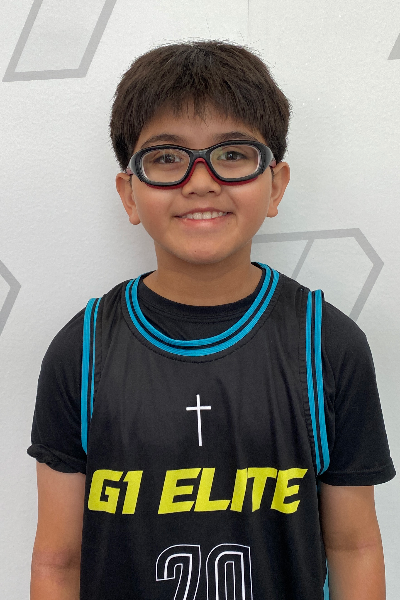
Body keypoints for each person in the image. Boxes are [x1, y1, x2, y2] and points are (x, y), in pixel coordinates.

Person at [28, 40, 395, 600]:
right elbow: (58, 561)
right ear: (129, 194)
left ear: (276, 184)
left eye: (232, 154)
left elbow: (354, 547)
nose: (200, 181)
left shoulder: (327, 344)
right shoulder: (82, 351)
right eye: (166, 158)